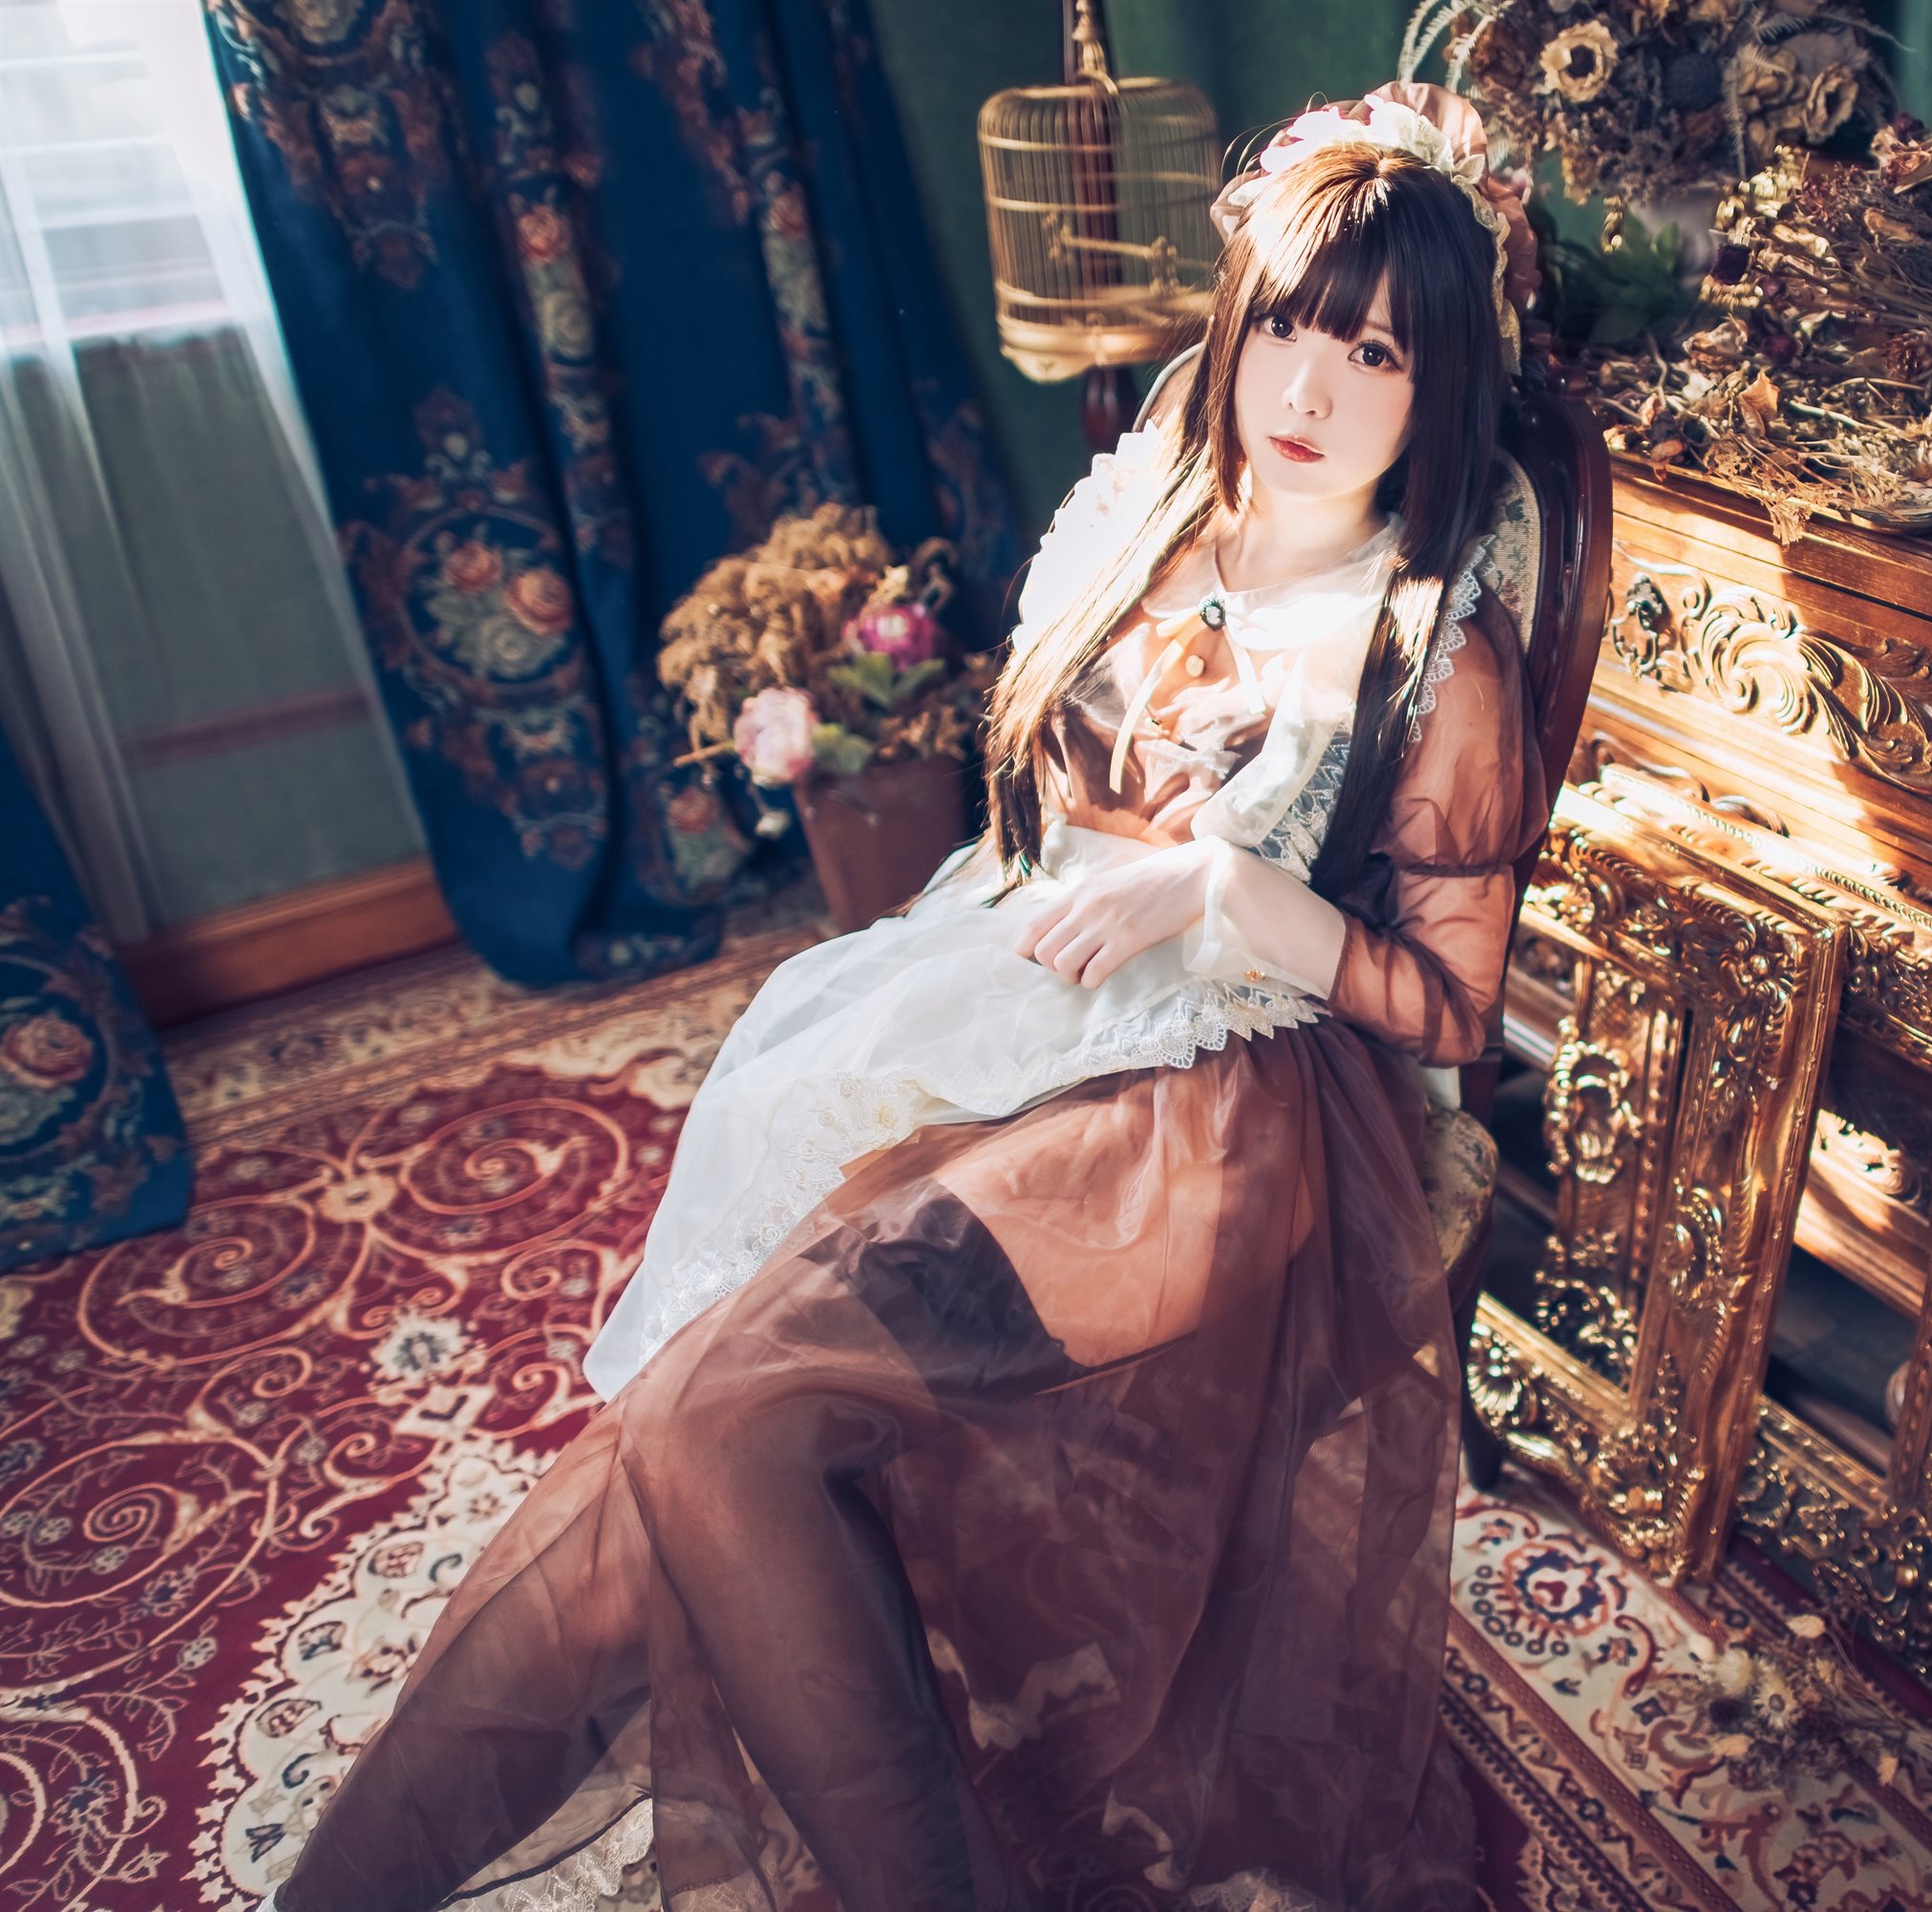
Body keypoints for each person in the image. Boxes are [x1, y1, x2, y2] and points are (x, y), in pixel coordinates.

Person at [261, 80, 1546, 1912]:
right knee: (679, 1447)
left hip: (1205, 1113)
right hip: (1014, 1027)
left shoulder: (1431, 641)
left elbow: (1453, 1008)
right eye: (1286, 324)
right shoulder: (1157, 517)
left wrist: (1227, 890)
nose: (1310, 389)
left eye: (1377, 353)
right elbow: (1037, 808)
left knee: (719, 1426)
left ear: (1440, 388)